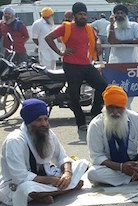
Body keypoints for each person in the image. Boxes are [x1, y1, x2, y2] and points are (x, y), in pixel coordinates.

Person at [0, 99, 89, 206]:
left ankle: (48, 193)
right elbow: (20, 177)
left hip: (47, 178)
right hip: (17, 185)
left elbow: (62, 157)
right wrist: (52, 181)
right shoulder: (15, 140)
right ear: (28, 121)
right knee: (27, 189)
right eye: (39, 120)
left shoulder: (47, 133)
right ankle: (65, 189)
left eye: (46, 119)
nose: (44, 124)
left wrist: (67, 174)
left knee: (82, 164)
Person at [45, 2, 108, 131]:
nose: (83, 17)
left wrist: (99, 43)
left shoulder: (89, 28)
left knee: (102, 85)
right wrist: (60, 52)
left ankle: (94, 113)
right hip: (71, 65)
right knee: (74, 95)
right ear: (74, 15)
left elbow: (97, 39)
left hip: (86, 64)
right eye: (80, 14)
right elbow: (48, 37)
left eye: (84, 14)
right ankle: (81, 123)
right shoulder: (66, 27)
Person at [87, 86, 138, 186]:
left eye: (118, 108)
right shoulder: (96, 125)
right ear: (105, 107)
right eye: (111, 107)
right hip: (111, 166)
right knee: (93, 173)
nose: (115, 112)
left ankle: (132, 175)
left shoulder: (135, 118)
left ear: (124, 107)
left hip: (134, 163)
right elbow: (97, 156)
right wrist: (121, 167)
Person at [107, 4, 138, 109]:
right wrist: (111, 25)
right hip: (116, 64)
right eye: (117, 13)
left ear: (126, 15)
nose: (119, 15)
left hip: (131, 63)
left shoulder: (134, 25)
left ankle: (127, 109)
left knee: (131, 88)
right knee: (116, 89)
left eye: (122, 13)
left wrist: (123, 42)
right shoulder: (111, 27)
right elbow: (112, 41)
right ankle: (122, 109)